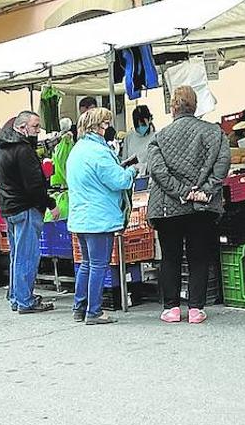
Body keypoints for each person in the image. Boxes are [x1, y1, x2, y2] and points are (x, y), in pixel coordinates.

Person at [145, 85, 228, 325]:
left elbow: (157, 171)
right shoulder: (215, 133)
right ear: (196, 106)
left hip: (167, 207)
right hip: (201, 208)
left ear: (173, 108)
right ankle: (195, 309)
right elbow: (222, 165)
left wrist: (182, 192)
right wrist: (204, 191)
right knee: (198, 256)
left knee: (170, 257)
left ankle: (171, 308)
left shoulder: (159, 137)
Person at [66, 108, 137, 326]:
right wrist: (131, 172)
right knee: (98, 265)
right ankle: (94, 312)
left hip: (81, 217)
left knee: (86, 264)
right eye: (105, 124)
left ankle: (79, 307)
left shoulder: (77, 150)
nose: (108, 128)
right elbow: (119, 181)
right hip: (99, 217)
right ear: (97, 127)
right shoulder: (99, 152)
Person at [0, 112, 58, 314]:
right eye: (35, 126)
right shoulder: (23, 150)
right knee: (27, 256)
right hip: (25, 207)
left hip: (9, 208)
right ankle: (25, 300)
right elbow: (35, 185)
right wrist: (50, 203)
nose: (38, 131)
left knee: (17, 255)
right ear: (21, 127)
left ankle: (16, 296)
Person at [120, 106, 155, 175]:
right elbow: (124, 160)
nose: (140, 127)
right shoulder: (129, 137)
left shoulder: (156, 137)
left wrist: (144, 168)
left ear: (150, 119)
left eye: (142, 124)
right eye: (137, 125)